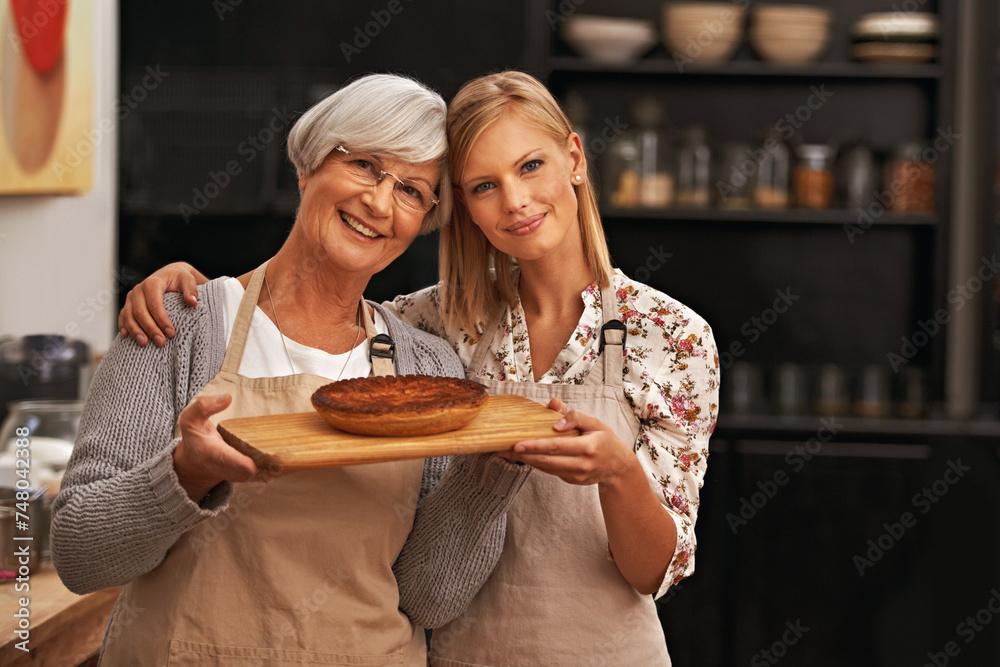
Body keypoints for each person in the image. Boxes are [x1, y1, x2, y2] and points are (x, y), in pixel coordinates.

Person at [118, 70, 719, 665]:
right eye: (484, 186)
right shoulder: (432, 324)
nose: (515, 201)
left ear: (574, 159)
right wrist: (195, 286)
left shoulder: (673, 337)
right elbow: (318, 291)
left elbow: (652, 575)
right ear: (463, 208)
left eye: (531, 166)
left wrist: (618, 473)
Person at [51, 73, 531, 667]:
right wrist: (185, 472)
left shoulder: (422, 363)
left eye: (412, 191)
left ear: (424, 220)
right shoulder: (179, 323)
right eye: (363, 165)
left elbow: (427, 599)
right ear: (307, 167)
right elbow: (78, 555)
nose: (380, 203)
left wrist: (494, 473)